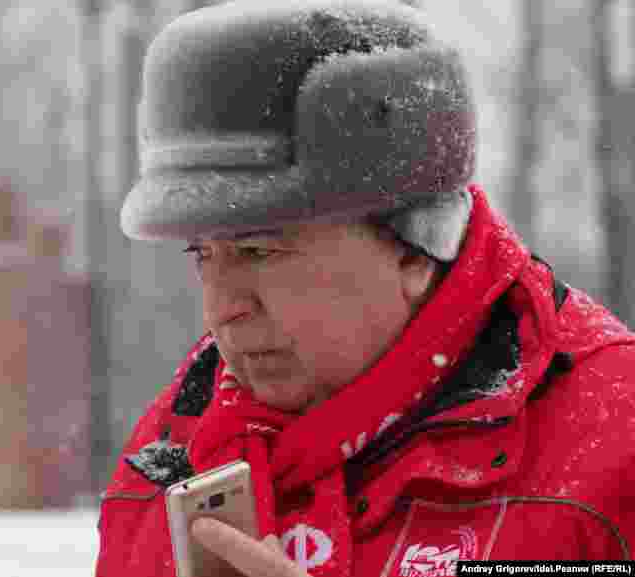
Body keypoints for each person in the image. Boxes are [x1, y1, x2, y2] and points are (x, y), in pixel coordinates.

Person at [94, 1, 635, 576]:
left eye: (259, 251)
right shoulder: (168, 456)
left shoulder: (611, 449)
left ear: (416, 246)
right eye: (202, 254)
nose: (222, 309)